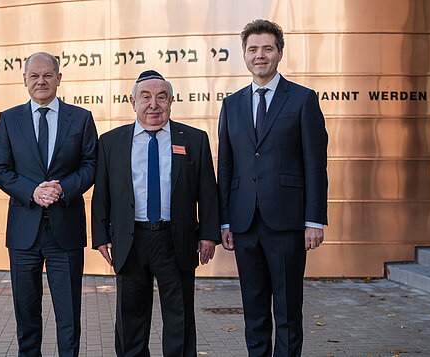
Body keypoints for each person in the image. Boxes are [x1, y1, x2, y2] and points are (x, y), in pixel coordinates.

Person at [218, 20, 328, 357]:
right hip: (244, 222)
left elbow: (315, 163)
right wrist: (224, 221)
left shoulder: (302, 99)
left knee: (287, 310)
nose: (260, 55)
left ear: (279, 52)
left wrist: (314, 219)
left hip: (288, 222)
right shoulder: (231, 104)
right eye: (253, 49)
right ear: (244, 55)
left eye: (267, 48)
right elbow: (226, 167)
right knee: (253, 309)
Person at [91, 70, 220, 357]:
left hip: (176, 239)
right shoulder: (111, 142)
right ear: (132, 102)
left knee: (180, 317)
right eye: (145, 97)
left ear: (171, 101)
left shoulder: (194, 139)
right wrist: (101, 236)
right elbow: (102, 194)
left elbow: (207, 192)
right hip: (130, 240)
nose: (154, 104)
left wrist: (209, 235)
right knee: (130, 319)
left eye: (161, 97)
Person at [0, 52, 97, 357]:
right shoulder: (10, 119)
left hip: (66, 231)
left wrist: (62, 189)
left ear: (58, 79)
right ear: (25, 80)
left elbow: (91, 165)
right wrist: (32, 191)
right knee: (26, 313)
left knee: (68, 315)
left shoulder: (81, 118)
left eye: (47, 75)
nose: (41, 81)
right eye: (34, 76)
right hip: (24, 231)